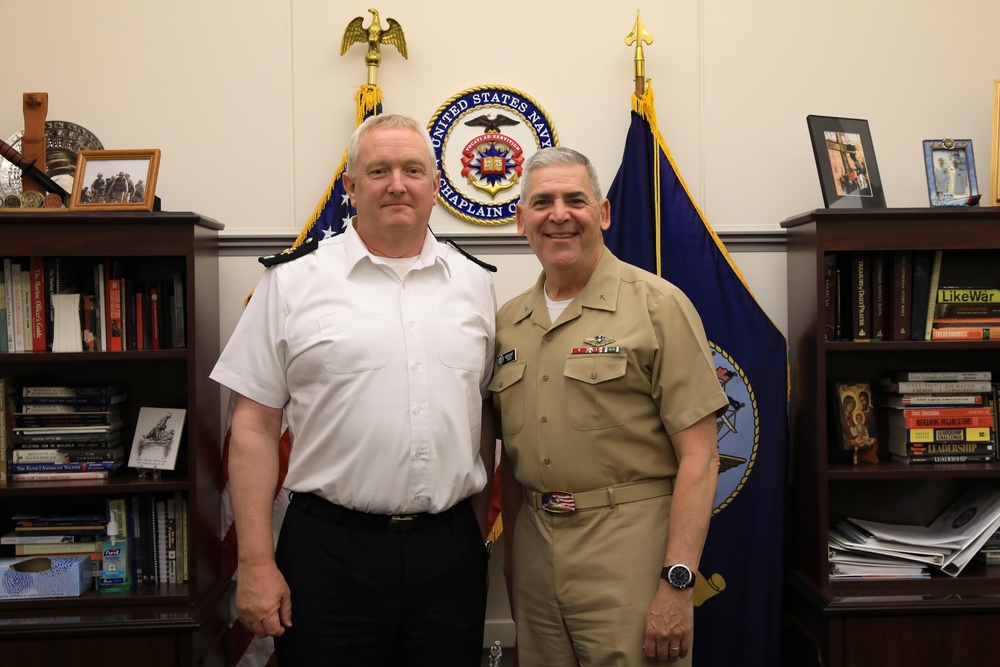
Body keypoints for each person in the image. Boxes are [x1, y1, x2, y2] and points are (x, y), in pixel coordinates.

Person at [210, 113, 498, 666]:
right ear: (350, 187)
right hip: (329, 552)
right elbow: (252, 426)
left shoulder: (476, 284)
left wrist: (479, 536)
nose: (397, 183)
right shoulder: (291, 282)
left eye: (414, 169)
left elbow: (484, 417)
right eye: (378, 170)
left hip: (449, 551)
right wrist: (256, 563)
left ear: (436, 185)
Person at [492, 147, 729, 666]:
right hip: (534, 550)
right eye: (542, 202)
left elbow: (701, 457)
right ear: (520, 220)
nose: (559, 214)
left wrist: (677, 581)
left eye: (575, 200)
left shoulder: (658, 306)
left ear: (602, 213)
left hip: (631, 549)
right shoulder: (507, 322)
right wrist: (512, 560)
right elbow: (507, 461)